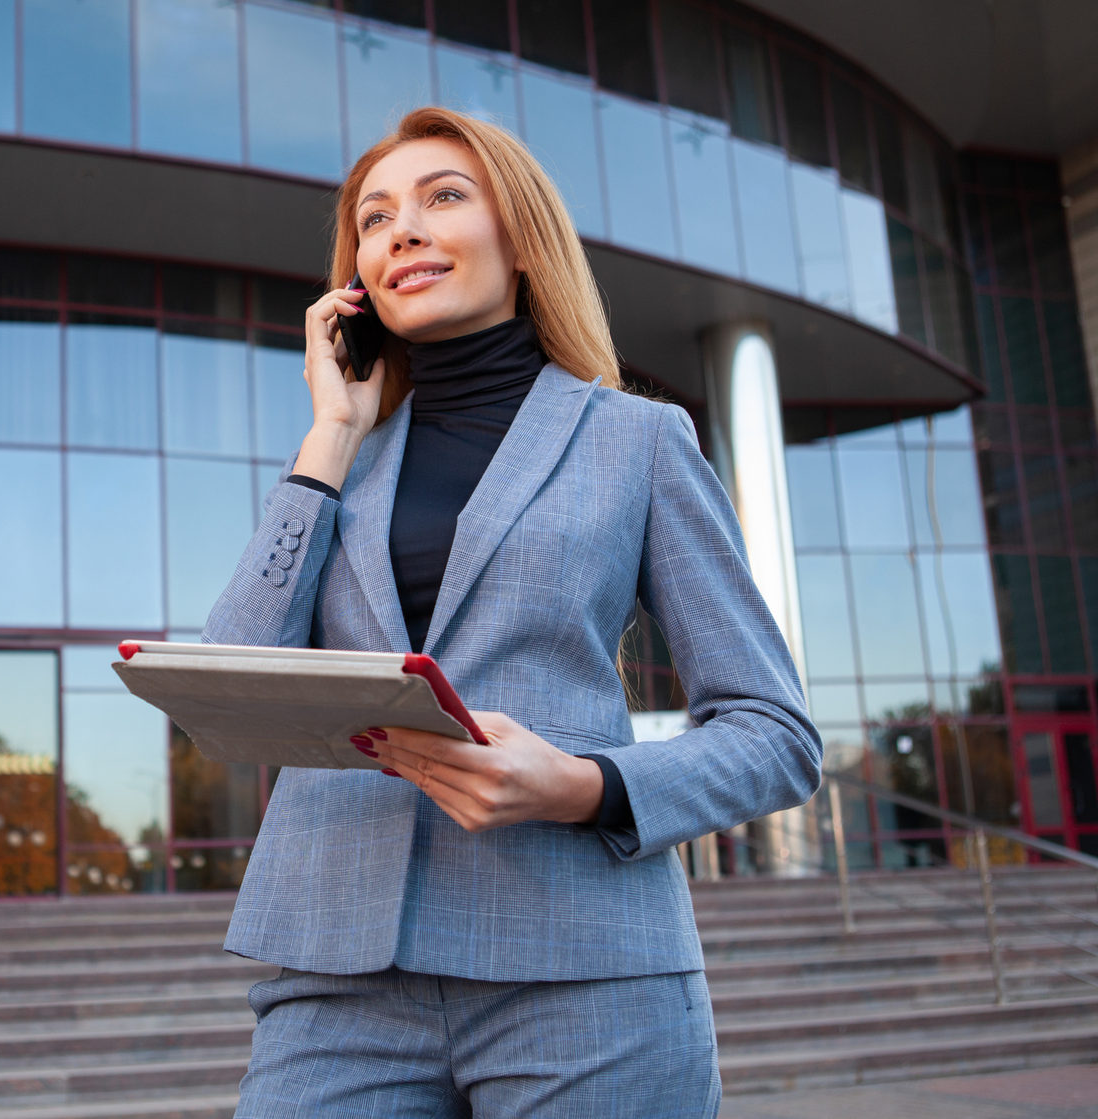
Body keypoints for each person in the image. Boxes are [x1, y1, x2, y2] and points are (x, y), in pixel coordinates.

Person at [200, 106, 822, 1117]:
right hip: (337, 976)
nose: (401, 230)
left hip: (581, 966)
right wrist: (329, 432)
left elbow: (776, 736)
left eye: (444, 198)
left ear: (524, 240)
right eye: (375, 218)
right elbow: (235, 680)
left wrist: (582, 786)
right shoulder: (341, 461)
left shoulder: (640, 441)